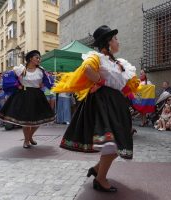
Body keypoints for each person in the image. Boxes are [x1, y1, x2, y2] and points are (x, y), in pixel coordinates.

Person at [52, 25, 140, 192]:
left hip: (116, 103)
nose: (118, 41)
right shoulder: (96, 57)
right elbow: (86, 69)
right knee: (112, 141)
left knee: (120, 141)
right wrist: (101, 82)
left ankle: (97, 169)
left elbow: (127, 84)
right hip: (103, 103)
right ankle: (100, 179)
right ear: (107, 42)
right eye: (115, 39)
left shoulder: (120, 63)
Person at [0, 50, 55, 148]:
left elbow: (49, 81)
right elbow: (7, 78)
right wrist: (16, 85)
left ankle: (29, 137)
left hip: (38, 95)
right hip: (24, 95)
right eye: (37, 57)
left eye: (39, 58)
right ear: (30, 58)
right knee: (26, 120)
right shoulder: (21, 69)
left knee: (39, 120)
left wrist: (44, 84)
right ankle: (26, 141)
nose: (39, 59)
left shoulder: (41, 70)